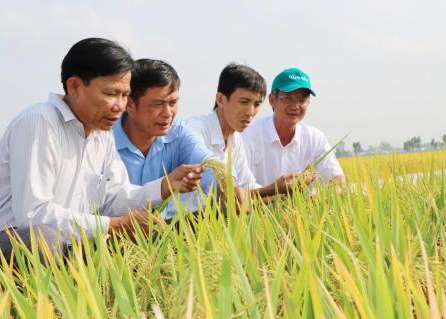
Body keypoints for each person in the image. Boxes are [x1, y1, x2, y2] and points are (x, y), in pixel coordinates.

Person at [0, 38, 205, 264]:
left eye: (124, 95)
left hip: (69, 242)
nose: (120, 106)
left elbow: (113, 198)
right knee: (44, 240)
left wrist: (165, 186)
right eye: (110, 94)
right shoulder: (40, 122)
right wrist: (114, 226)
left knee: (151, 231)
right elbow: (33, 215)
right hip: (9, 240)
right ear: (74, 86)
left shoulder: (102, 134)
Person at [113, 59, 243, 219]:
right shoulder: (106, 138)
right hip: (110, 230)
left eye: (173, 103)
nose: (168, 113)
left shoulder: (179, 132)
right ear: (130, 105)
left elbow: (213, 164)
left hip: (160, 229)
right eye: (158, 104)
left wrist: (230, 186)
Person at [187, 63, 304, 200]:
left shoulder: (235, 139)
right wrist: (273, 189)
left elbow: (247, 186)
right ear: (221, 100)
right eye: (244, 102)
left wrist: (291, 197)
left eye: (257, 104)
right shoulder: (195, 131)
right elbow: (230, 194)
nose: (251, 112)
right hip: (182, 219)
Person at [242, 68, 345, 188]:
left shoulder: (315, 139)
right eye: (288, 98)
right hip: (261, 206)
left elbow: (338, 179)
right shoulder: (249, 136)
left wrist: (317, 201)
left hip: (307, 206)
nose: (295, 106)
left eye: (302, 100)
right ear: (272, 100)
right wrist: (276, 193)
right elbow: (240, 186)